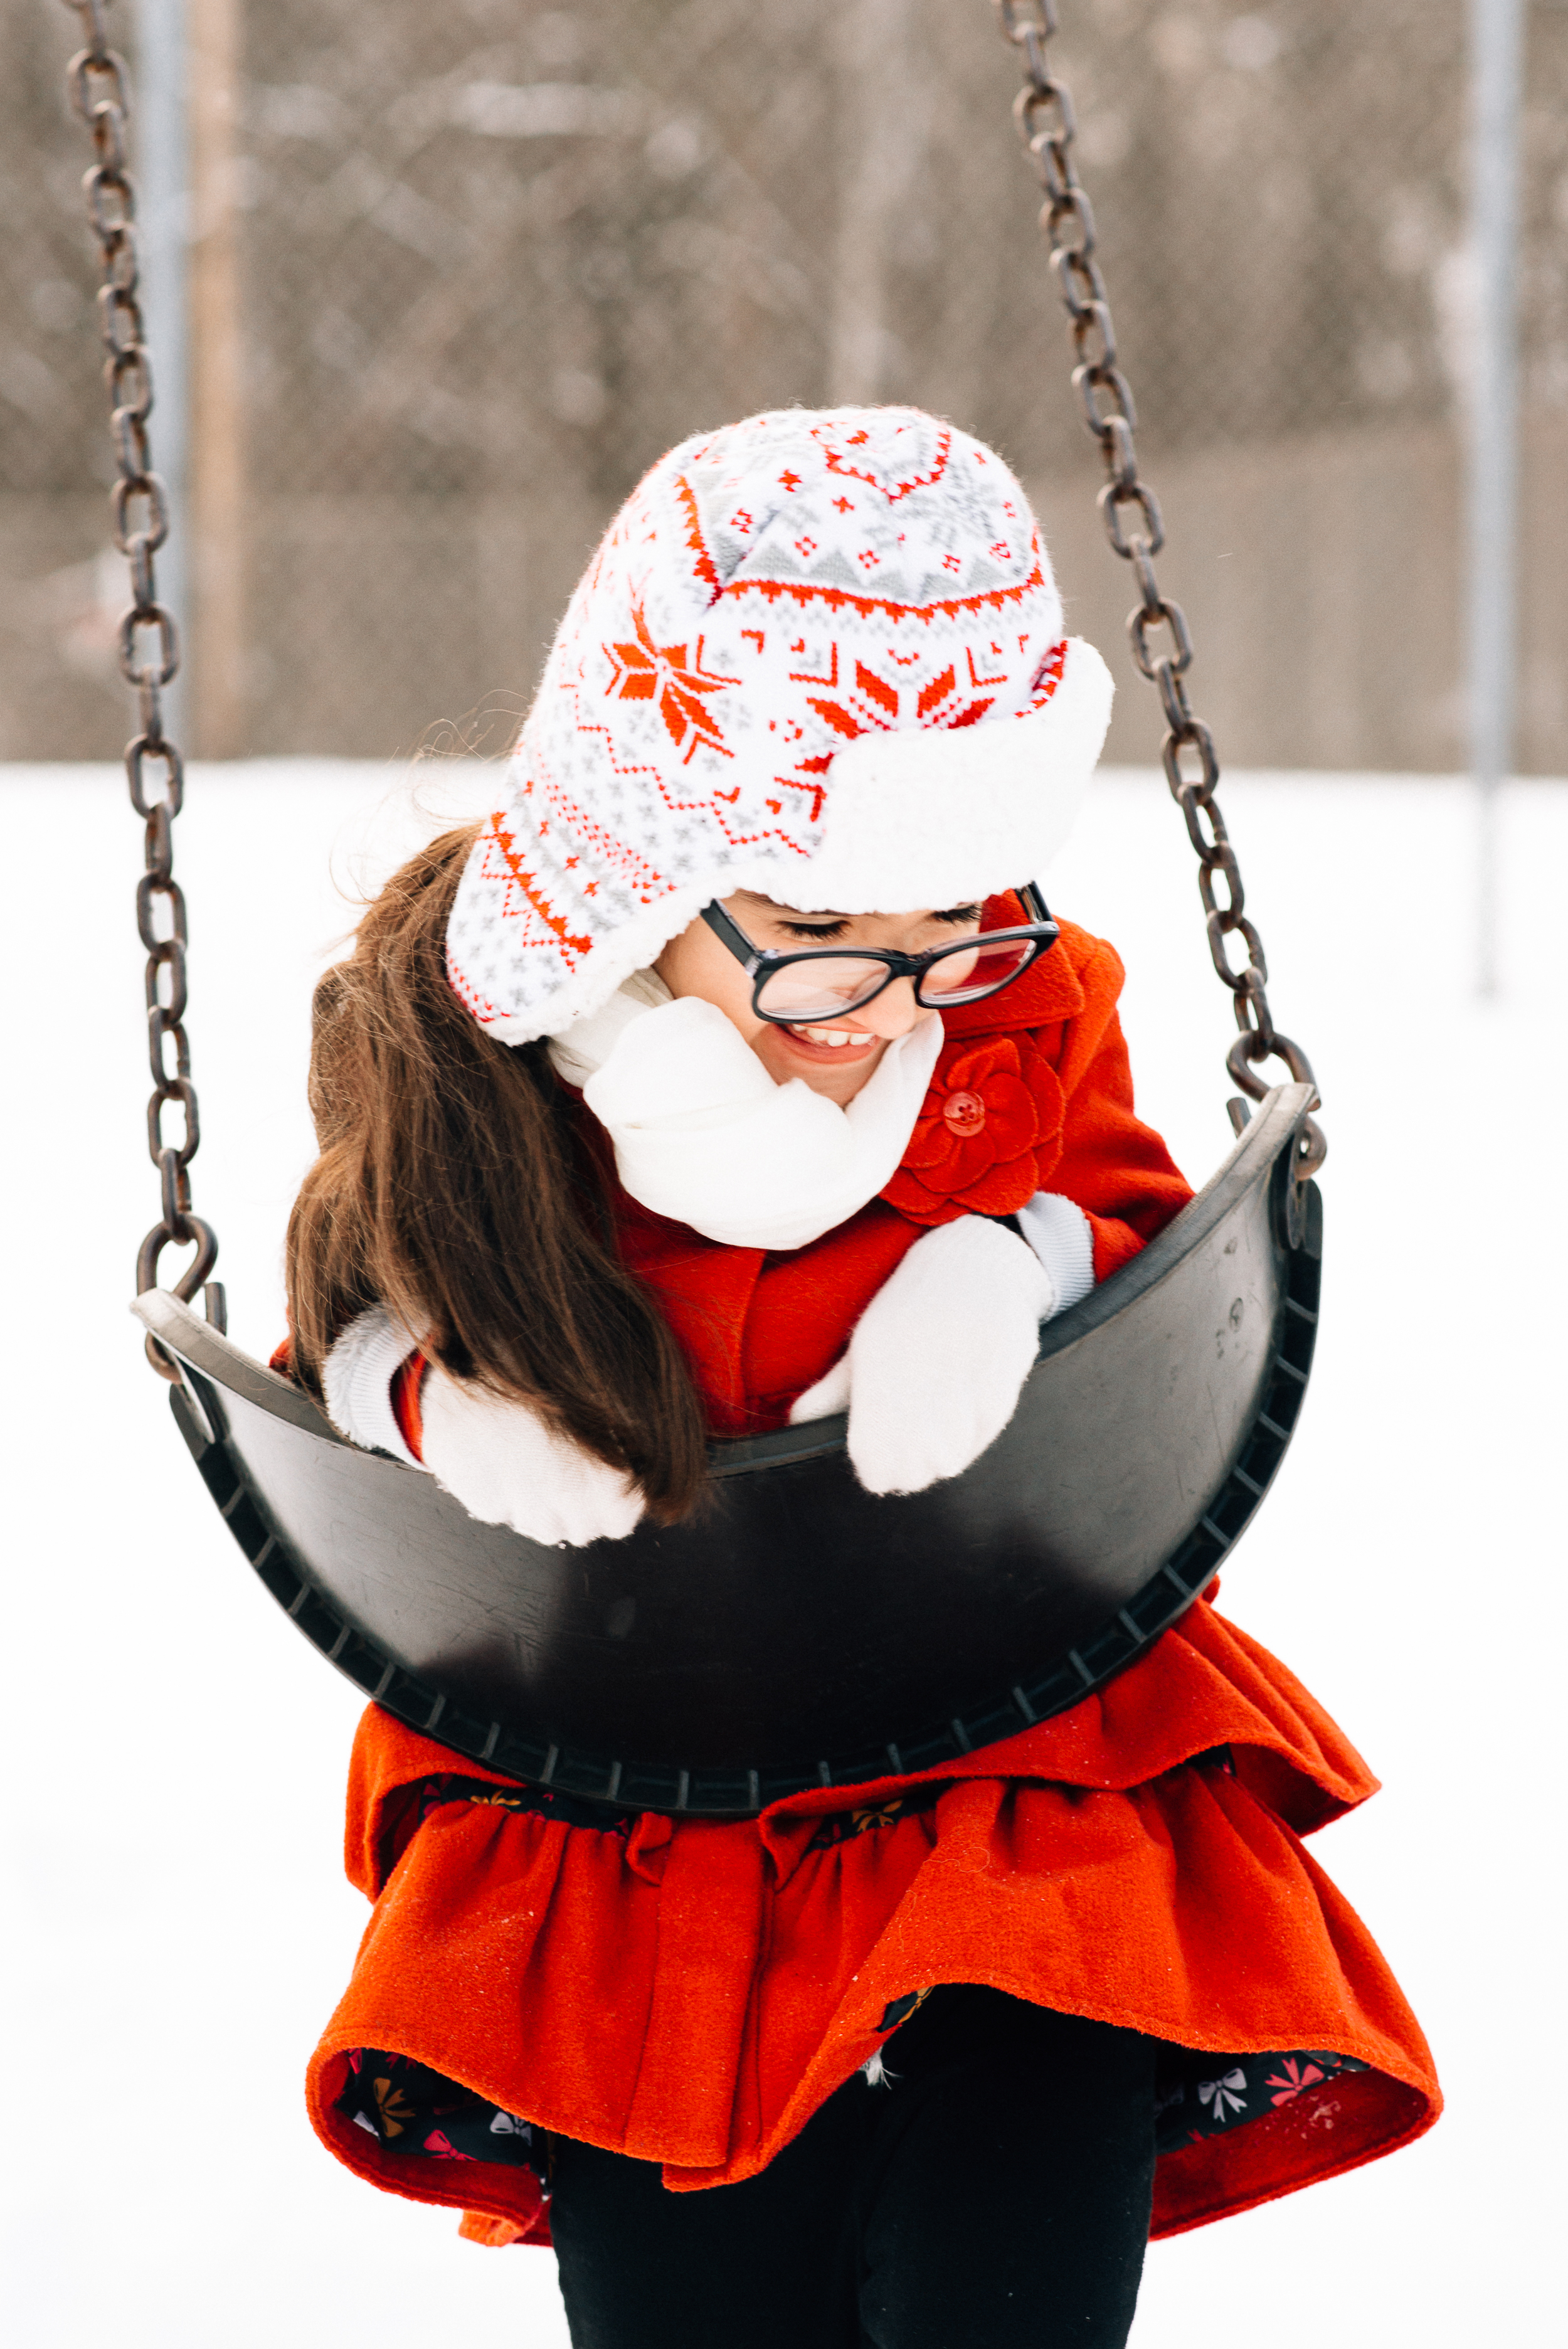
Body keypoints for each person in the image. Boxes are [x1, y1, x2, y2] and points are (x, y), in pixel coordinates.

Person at [281, 408, 1437, 2348]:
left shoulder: (1015, 1005)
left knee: (1012, 2287)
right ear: (651, 887)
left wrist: (1005, 1262)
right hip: (644, 1817)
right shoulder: (497, 1069)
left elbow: (1131, 1206)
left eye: (942, 941)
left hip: (1007, 1778)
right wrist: (433, 1405)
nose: (881, 1015)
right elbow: (355, 1295)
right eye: (818, 944)